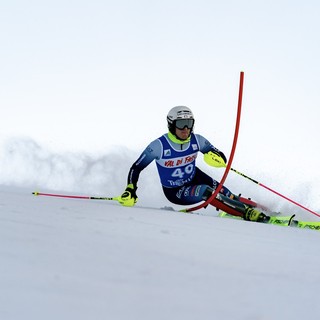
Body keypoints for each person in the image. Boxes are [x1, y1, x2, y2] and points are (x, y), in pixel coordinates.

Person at [118, 106, 269, 223]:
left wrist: (216, 157)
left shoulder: (197, 140)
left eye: (189, 124)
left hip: (195, 176)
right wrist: (131, 189)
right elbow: (136, 167)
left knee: (227, 193)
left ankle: (264, 209)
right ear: (171, 125)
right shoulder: (159, 146)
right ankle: (248, 214)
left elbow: (218, 154)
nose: (186, 129)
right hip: (175, 191)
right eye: (181, 124)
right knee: (207, 192)